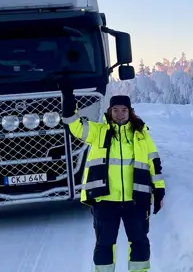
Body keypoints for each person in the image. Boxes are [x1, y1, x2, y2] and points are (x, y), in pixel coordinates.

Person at [60, 89, 165, 272]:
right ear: (109, 112)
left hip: (136, 200)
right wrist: (69, 100)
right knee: (104, 245)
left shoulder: (141, 134)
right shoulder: (98, 131)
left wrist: (159, 190)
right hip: (105, 200)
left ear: (130, 112)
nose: (119, 114)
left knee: (140, 243)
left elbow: (154, 163)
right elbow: (73, 125)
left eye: (123, 110)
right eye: (115, 110)